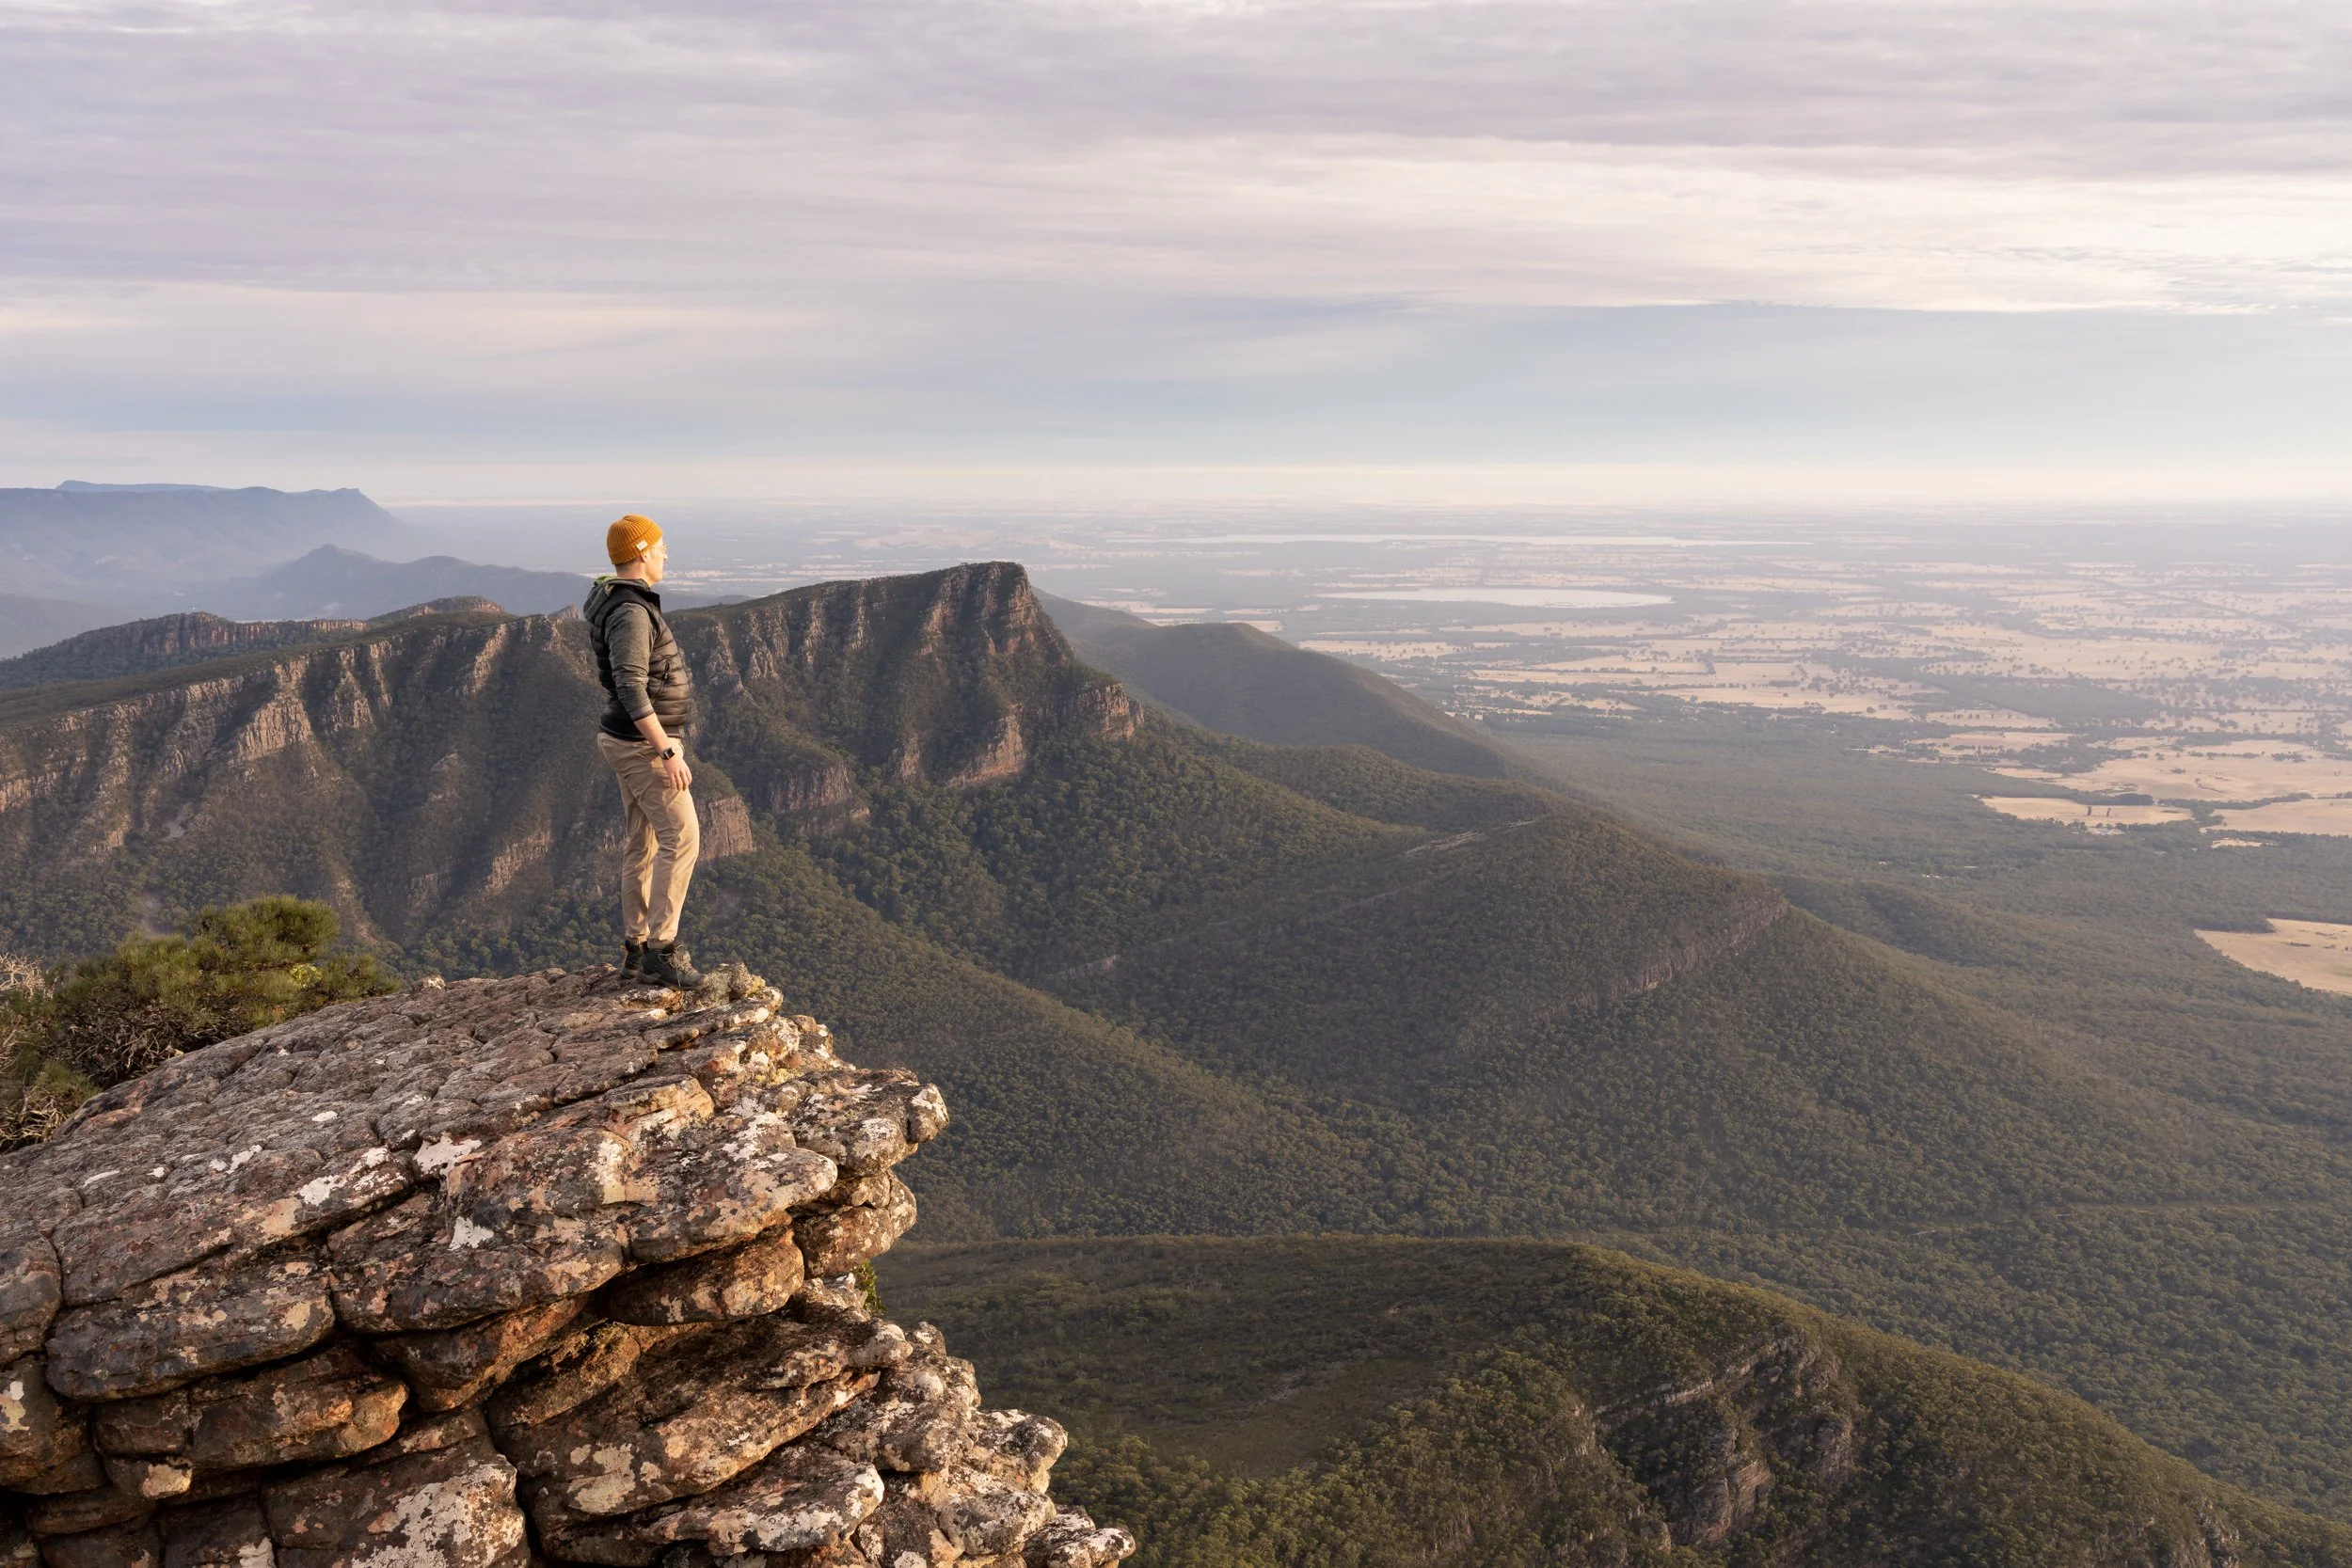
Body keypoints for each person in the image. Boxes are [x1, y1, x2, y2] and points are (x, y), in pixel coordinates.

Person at [585, 514, 704, 989]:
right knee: (683, 837)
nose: (666, 554)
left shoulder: (617, 600)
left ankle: (636, 949)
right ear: (640, 554)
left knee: (643, 842)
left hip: (624, 741)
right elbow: (632, 687)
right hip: (641, 747)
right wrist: (668, 751)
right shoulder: (632, 612)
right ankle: (661, 951)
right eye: (660, 547)